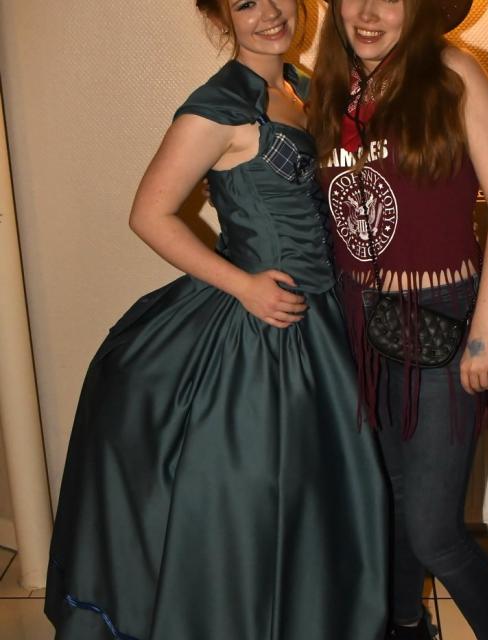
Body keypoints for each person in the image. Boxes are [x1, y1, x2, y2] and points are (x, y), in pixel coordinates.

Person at [44, 1, 388, 638]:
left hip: (324, 323)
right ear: (221, 17)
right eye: (244, 2)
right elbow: (149, 214)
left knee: (317, 502)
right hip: (264, 332)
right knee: (257, 501)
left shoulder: (306, 89)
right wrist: (244, 286)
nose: (268, 12)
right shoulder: (219, 105)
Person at [308, 0, 488, 638]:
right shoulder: (331, 89)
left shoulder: (454, 73)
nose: (368, 12)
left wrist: (485, 331)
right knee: (392, 503)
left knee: (435, 535)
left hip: (442, 323)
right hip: (359, 325)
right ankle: (405, 625)